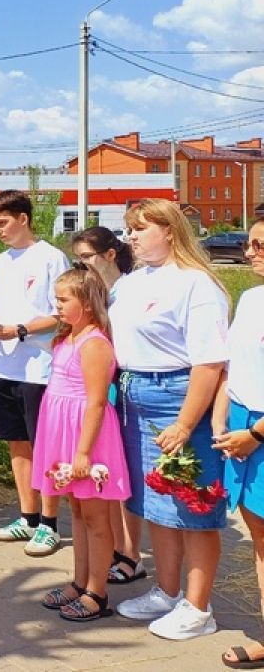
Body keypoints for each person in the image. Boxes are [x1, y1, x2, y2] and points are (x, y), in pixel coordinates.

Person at [110, 198, 229, 641]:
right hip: (134, 394)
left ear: (171, 231)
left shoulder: (196, 284)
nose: (132, 237)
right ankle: (166, 589)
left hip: (177, 397)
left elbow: (209, 363)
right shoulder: (133, 281)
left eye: (141, 228)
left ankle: (199, 607)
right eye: (129, 229)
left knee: (191, 502)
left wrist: (184, 423)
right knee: (154, 502)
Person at [35, 267, 131, 622]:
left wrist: (83, 453)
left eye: (63, 299)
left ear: (88, 304)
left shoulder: (94, 344)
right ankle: (79, 580)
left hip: (85, 438)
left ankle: (97, 591)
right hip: (62, 431)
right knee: (76, 510)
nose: (56, 306)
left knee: (95, 516)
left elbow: (95, 401)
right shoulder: (68, 338)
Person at [0, 190, 69, 555]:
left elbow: (63, 312)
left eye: (2, 222)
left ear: (23, 218)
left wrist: (20, 330)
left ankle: (50, 524)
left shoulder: (51, 258)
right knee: (17, 441)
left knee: (44, 446)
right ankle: (27, 517)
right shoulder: (0, 262)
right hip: (3, 363)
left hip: (39, 366)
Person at [72, 226, 143, 586]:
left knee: (122, 475)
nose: (81, 264)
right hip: (103, 383)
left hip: (124, 383)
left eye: (87, 257)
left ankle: (132, 553)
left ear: (110, 255)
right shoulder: (94, 290)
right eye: (78, 258)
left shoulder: (128, 289)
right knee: (107, 475)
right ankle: (116, 548)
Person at [213, 219, 264, 668]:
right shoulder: (250, 299)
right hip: (241, 427)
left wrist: (255, 434)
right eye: (249, 244)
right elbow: (233, 369)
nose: (250, 252)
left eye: (259, 244)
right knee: (260, 539)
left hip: (259, 432)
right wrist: (222, 424)